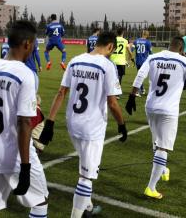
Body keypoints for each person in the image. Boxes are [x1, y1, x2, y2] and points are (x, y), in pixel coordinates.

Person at [39, 31, 127, 218]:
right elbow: (112, 102)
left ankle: (87, 208)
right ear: (110, 46)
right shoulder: (107, 66)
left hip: (72, 123)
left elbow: (61, 92)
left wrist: (50, 122)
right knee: (86, 176)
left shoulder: (75, 60)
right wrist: (122, 124)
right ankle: (77, 215)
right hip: (92, 128)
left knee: (85, 164)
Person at [0, 21, 49, 218]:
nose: (34, 48)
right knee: (40, 201)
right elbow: (24, 123)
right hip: (14, 153)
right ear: (27, 43)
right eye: (34, 44)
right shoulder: (25, 74)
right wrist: (25, 166)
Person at [125, 37, 186, 199]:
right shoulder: (183, 61)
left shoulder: (153, 57)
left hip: (151, 106)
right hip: (169, 110)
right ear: (181, 49)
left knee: (156, 141)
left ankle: (164, 170)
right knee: (163, 147)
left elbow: (140, 75)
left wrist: (132, 95)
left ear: (168, 45)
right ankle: (151, 187)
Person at [131, 30, 153, 96]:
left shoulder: (136, 41)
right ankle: (141, 90)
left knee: (139, 75)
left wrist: (131, 58)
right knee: (148, 76)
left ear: (142, 34)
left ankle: (142, 89)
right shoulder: (148, 42)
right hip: (145, 62)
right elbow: (151, 53)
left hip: (138, 61)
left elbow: (131, 50)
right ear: (147, 35)